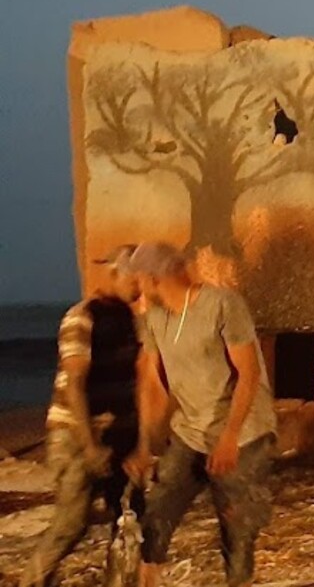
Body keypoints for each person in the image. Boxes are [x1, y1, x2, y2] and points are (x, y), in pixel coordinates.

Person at [121, 242, 276, 587]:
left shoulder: (222, 305)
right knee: (157, 510)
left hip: (243, 431)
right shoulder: (156, 318)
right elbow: (153, 384)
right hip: (191, 431)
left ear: (152, 277)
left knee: (236, 524)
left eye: (139, 279)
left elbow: (248, 374)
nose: (136, 287)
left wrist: (230, 436)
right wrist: (145, 445)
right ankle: (148, 579)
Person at [19, 246, 145, 587]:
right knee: (72, 522)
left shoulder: (126, 319)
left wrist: (140, 441)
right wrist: (89, 446)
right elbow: (75, 384)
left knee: (132, 520)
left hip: (117, 433)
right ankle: (32, 581)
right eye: (136, 279)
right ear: (117, 275)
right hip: (77, 433)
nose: (141, 288)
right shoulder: (83, 317)